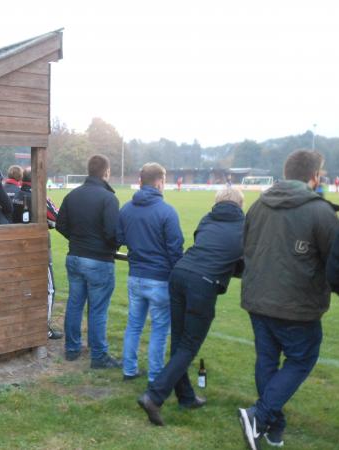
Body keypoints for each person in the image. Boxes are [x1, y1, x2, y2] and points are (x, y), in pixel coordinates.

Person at [237, 150, 339, 450]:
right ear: (315, 176)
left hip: (258, 299)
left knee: (267, 361)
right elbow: (337, 260)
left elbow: (247, 248)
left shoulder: (258, 205)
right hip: (297, 306)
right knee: (302, 358)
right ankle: (261, 416)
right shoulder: (320, 212)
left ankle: (272, 427)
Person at [139, 188, 245, 426]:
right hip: (203, 283)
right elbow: (243, 261)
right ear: (240, 204)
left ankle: (186, 396)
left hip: (179, 274)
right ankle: (154, 396)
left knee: (179, 340)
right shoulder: (245, 227)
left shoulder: (207, 218)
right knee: (188, 345)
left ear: (217, 202)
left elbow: (203, 243)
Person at [116, 163, 184, 383]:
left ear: (140, 181)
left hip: (135, 275)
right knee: (159, 329)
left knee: (134, 324)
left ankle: (129, 369)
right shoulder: (167, 211)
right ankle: (155, 376)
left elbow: (120, 238)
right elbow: (175, 249)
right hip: (159, 278)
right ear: (159, 182)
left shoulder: (126, 209)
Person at [56, 154, 121, 369]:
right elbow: (113, 232)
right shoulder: (108, 198)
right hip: (98, 259)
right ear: (106, 172)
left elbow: (60, 224)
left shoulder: (72, 195)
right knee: (98, 309)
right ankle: (99, 355)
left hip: (75, 257)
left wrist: (77, 240)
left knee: (75, 304)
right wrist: (111, 247)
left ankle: (72, 349)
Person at [11, 167, 64, 340]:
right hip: (38, 250)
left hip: (17, 250)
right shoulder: (40, 197)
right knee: (49, 289)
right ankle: (43, 329)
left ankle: (23, 325)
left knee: (23, 289)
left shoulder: (17, 196)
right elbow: (57, 219)